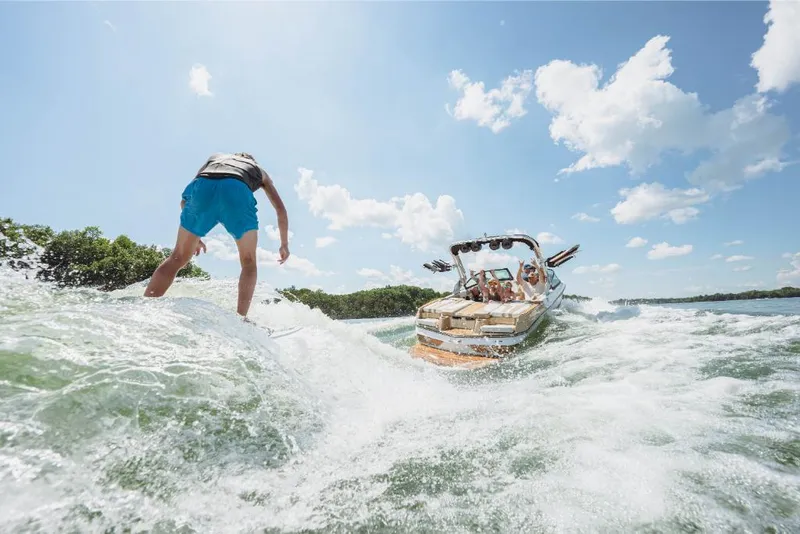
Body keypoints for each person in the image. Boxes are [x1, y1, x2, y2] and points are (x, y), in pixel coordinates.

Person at [144, 152, 289, 317]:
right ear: (250, 161)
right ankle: (241, 319)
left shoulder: (215, 158)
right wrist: (284, 244)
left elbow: (185, 201)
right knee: (248, 262)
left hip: (203, 187)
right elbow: (280, 210)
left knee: (177, 257)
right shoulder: (259, 170)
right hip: (237, 191)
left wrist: (196, 236)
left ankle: (147, 306)